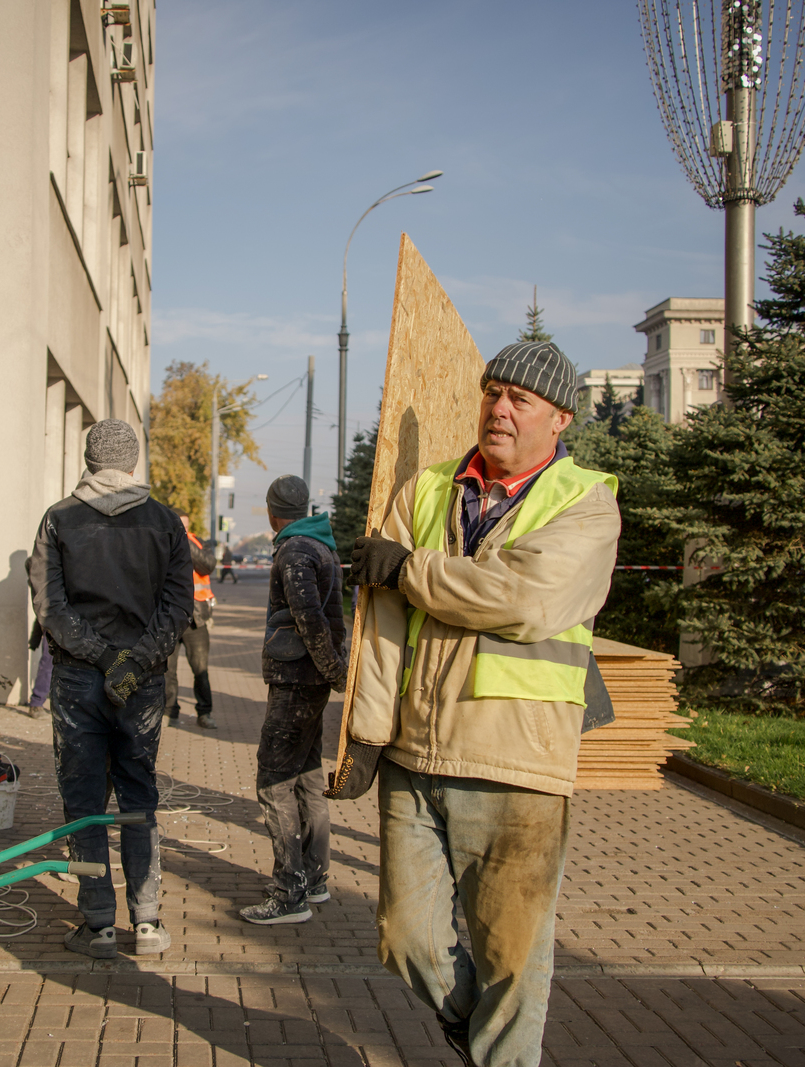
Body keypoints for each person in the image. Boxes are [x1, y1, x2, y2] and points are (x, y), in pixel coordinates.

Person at [337, 341, 620, 1067]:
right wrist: (367, 733)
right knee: (406, 938)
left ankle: (501, 1054)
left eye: (520, 399)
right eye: (493, 391)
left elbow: (524, 598)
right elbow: (385, 618)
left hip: (515, 762)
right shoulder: (428, 490)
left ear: (559, 418)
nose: (499, 408)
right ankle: (481, 1036)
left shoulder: (586, 501)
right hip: (413, 751)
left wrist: (412, 569)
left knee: (511, 958)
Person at [28, 418, 193, 958]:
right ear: (134, 461)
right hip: (140, 683)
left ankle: (97, 922)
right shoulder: (166, 522)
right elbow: (177, 608)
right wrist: (134, 661)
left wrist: (100, 657)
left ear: (89, 458)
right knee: (138, 792)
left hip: (79, 677)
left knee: (84, 798)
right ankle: (147, 922)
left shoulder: (59, 518)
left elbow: (50, 605)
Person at [240, 476, 348, 925]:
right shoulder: (319, 545)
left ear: (271, 512)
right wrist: (334, 672)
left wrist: (334, 672)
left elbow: (310, 619)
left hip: (297, 682)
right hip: (311, 681)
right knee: (306, 775)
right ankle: (314, 879)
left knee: (274, 780)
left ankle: (289, 894)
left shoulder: (295, 551)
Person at [164, 513, 217, 729]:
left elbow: (207, 565)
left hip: (197, 618)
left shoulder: (198, 543)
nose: (181, 529)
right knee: (167, 670)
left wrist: (183, 540)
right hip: (169, 617)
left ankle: (204, 712)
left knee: (200, 669)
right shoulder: (162, 542)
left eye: (184, 526)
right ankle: (170, 712)